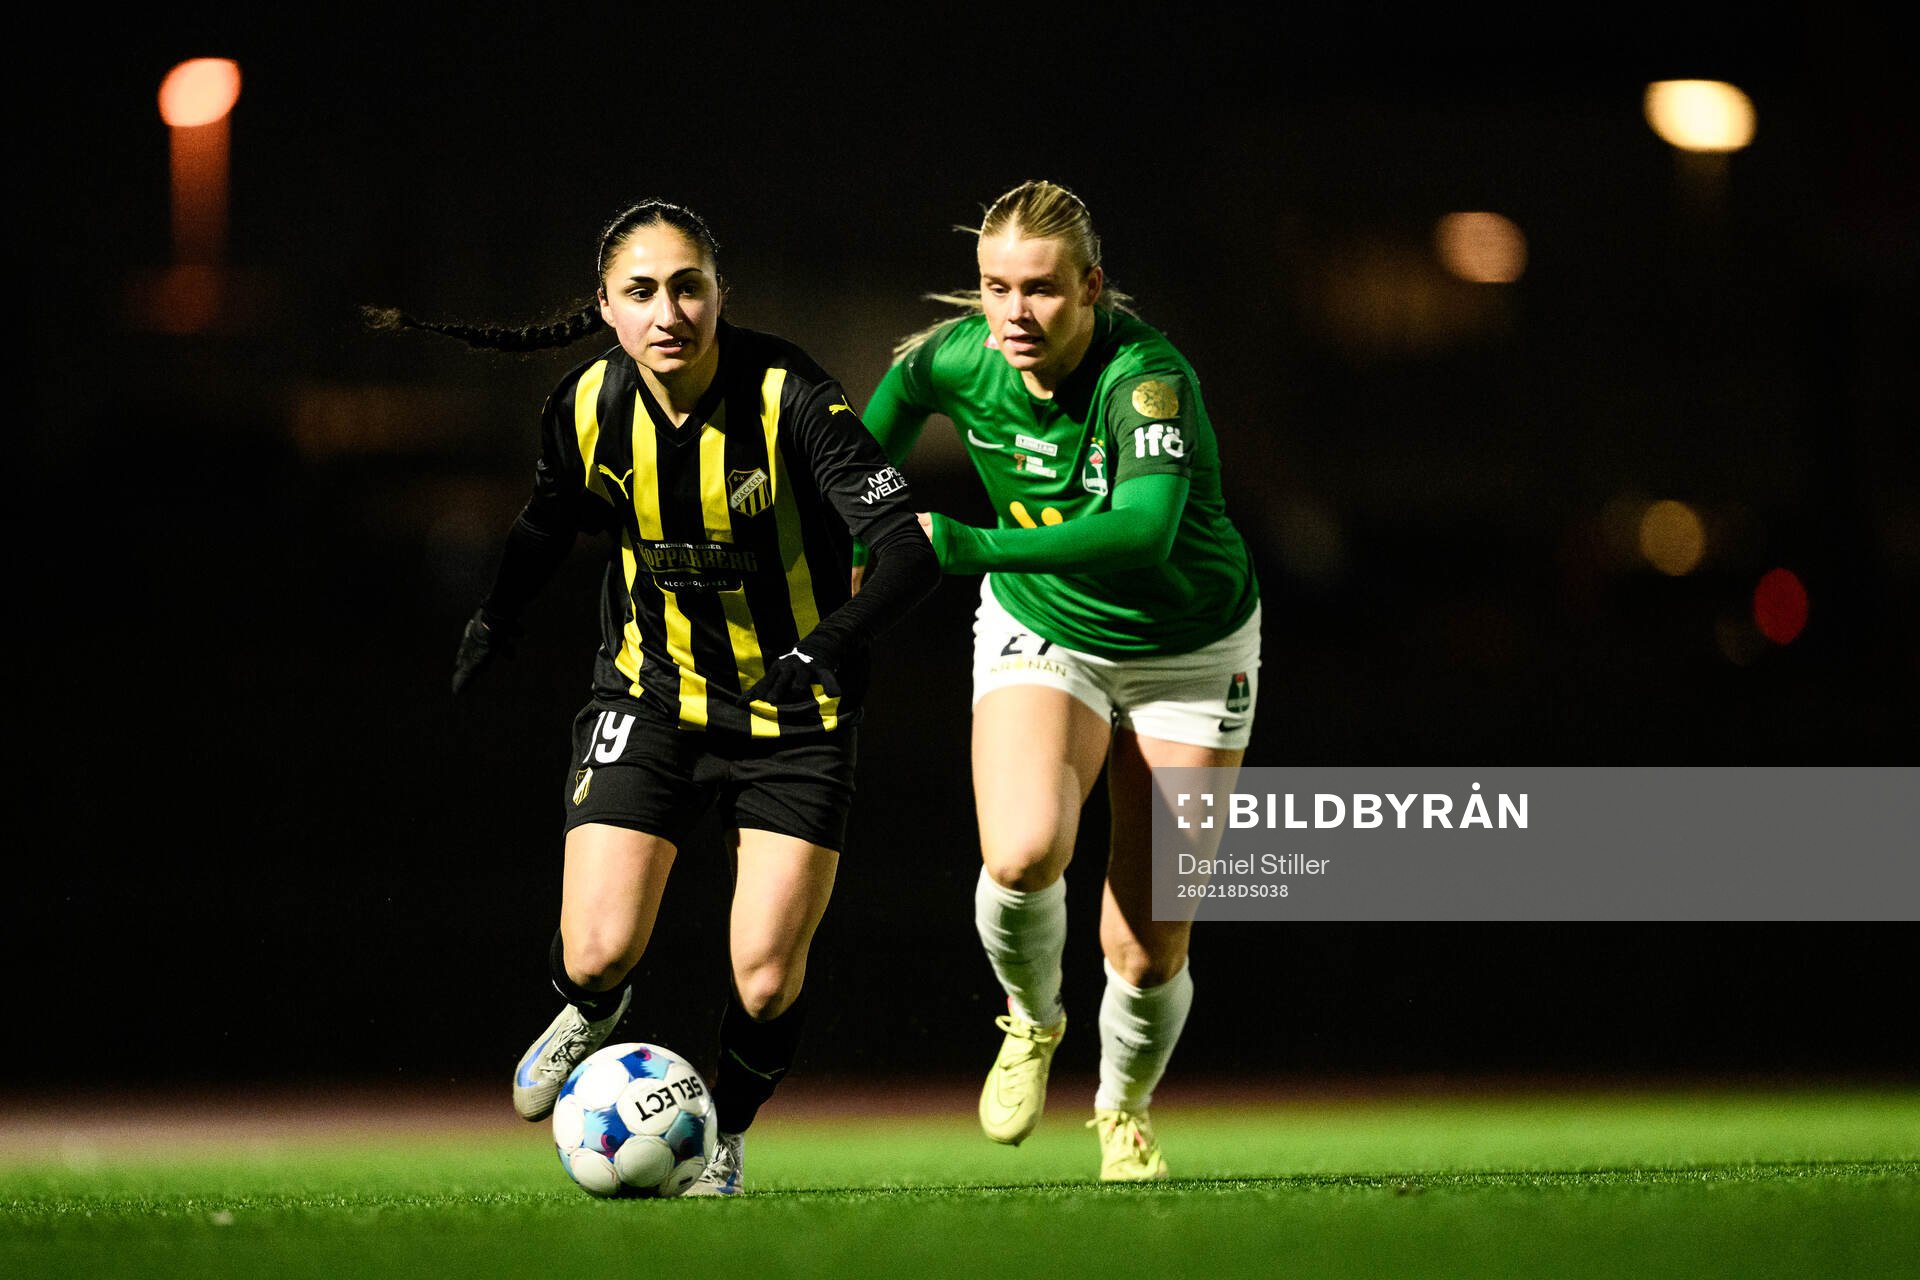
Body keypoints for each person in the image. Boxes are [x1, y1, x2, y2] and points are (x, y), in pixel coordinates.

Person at [374, 200, 938, 1196]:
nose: (669, 309)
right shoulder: (585, 405)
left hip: (795, 713)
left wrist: (826, 645)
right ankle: (591, 1004)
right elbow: (547, 523)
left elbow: (905, 550)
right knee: (594, 950)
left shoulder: (791, 395)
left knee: (764, 974)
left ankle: (723, 1130)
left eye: (689, 286)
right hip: (652, 694)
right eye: (641, 291)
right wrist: (494, 620)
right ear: (604, 306)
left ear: (721, 296)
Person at [858, 180, 1259, 1181]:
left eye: (1040, 290)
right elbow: (879, 427)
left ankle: (1122, 1106)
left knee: (1147, 948)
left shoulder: (1149, 378)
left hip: (1192, 652)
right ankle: (1031, 1021)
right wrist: (859, 521)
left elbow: (1141, 531)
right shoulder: (960, 357)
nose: (1014, 313)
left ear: (1091, 287)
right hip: (1048, 633)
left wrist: (960, 541)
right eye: (996, 287)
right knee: (1026, 848)